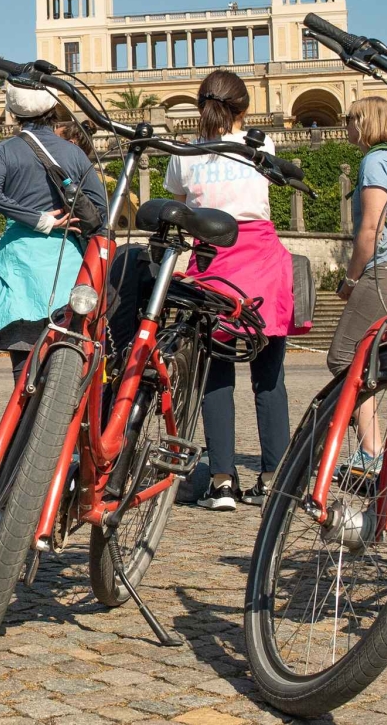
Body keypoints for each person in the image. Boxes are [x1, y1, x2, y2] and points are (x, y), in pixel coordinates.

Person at [163, 70, 294, 511]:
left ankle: (221, 482)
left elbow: (179, 203)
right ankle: (274, 478)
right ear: (245, 109)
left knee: (216, 377)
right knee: (269, 377)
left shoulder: (185, 153)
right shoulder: (262, 147)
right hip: (261, 261)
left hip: (213, 263)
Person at [0, 81, 108, 381]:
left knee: (23, 374)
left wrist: (37, 219)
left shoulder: (3, 151)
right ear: (52, 109)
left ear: (12, 112)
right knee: (68, 368)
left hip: (18, 266)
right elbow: (102, 212)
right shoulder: (73, 154)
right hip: (68, 266)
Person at [326, 95, 387, 473]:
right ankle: (375, 449)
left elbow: (370, 228)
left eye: (350, 118)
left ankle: (373, 451)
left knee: (344, 356)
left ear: (365, 121)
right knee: (366, 360)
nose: (346, 125)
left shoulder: (374, 161)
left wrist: (351, 278)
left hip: (379, 270)